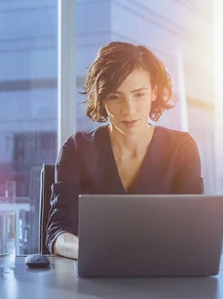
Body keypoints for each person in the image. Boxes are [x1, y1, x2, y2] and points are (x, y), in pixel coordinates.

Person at [46, 41, 204, 259]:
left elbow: (194, 229)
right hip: (93, 279)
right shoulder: (76, 150)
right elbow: (57, 232)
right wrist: (94, 252)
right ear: (102, 99)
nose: (129, 109)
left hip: (164, 277)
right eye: (115, 96)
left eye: (139, 94)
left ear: (154, 92)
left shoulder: (181, 148)